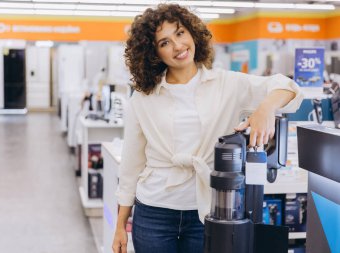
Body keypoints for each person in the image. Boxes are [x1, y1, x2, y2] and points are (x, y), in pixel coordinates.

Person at [112, 4, 303, 253]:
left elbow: (288, 87)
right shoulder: (143, 99)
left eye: (180, 33)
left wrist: (266, 108)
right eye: (164, 43)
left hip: (208, 211)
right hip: (154, 212)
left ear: (192, 33)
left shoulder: (228, 83)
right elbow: (131, 165)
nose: (178, 46)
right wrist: (119, 224)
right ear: (154, 54)